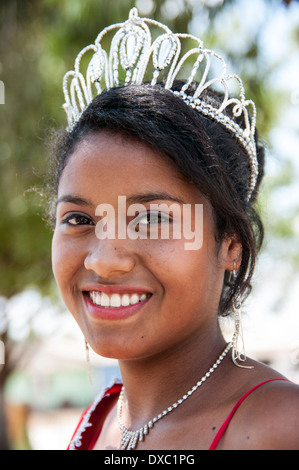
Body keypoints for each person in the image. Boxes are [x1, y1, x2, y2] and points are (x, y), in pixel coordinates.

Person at [49, 8, 299, 450]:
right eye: (80, 220)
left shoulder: (279, 426)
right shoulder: (99, 420)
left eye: (153, 218)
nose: (104, 260)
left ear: (232, 246)